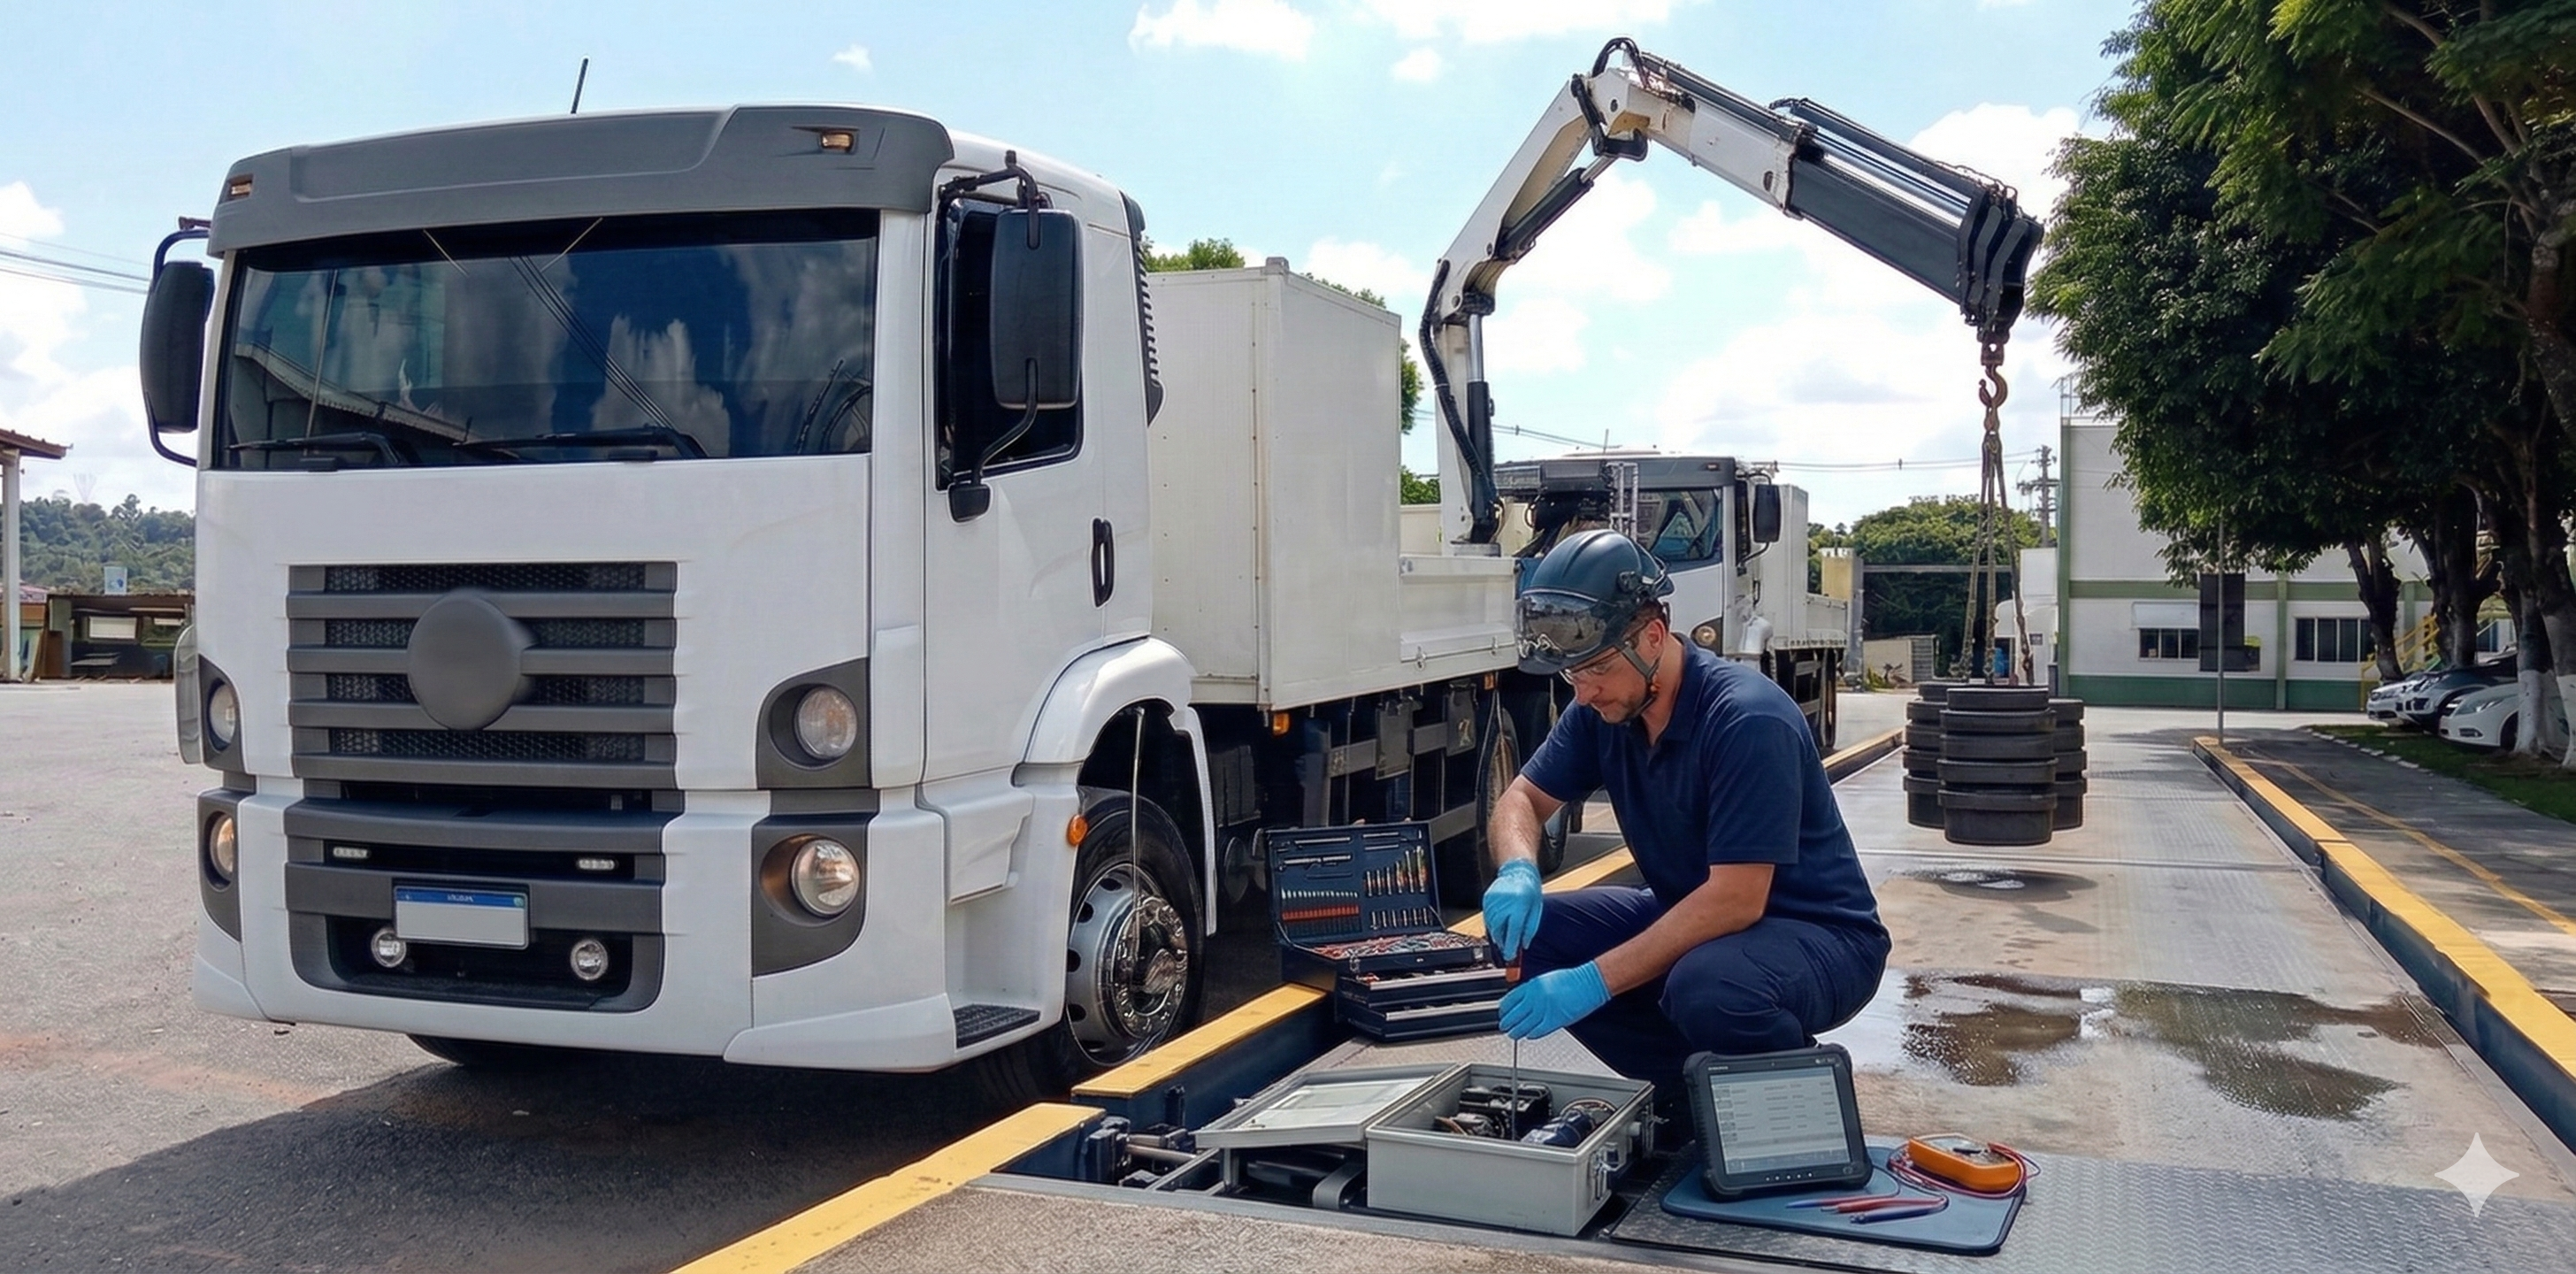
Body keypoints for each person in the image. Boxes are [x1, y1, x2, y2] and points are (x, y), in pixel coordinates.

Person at [1484, 529, 1890, 1108]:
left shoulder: (1746, 720)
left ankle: (1796, 1107)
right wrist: (1518, 870)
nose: (1586, 690)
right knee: (1530, 936)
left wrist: (1592, 982)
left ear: (1652, 636)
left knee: (1710, 987)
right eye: (1572, 674)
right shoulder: (1600, 709)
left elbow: (1736, 901)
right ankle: (1692, 1099)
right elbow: (1519, 801)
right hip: (1696, 914)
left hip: (1818, 935)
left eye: (1597, 667)